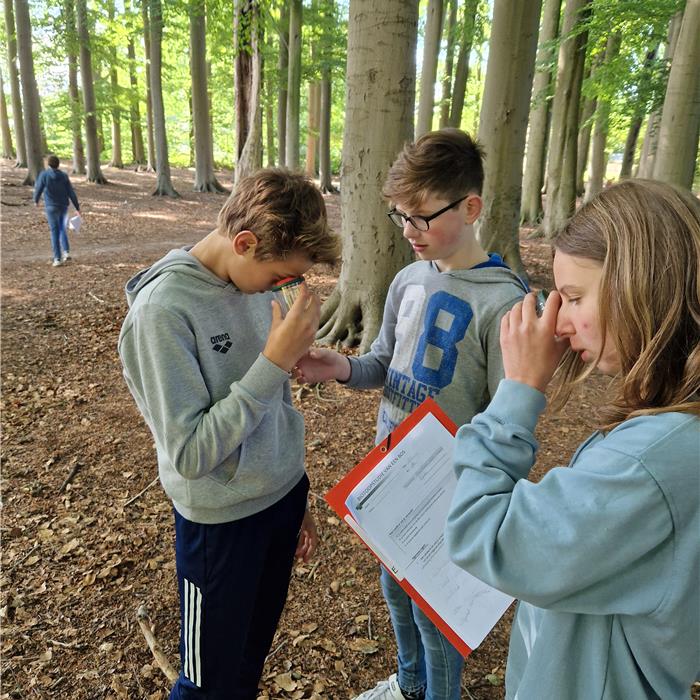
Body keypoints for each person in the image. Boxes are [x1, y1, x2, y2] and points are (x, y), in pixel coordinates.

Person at [295, 128, 529, 700]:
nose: (408, 232)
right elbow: (382, 363)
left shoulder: (504, 301)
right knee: (395, 587)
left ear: (470, 207)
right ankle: (409, 682)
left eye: (422, 217)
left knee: (435, 609)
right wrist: (341, 368)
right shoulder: (405, 280)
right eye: (401, 216)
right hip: (390, 469)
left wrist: (486, 490)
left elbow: (510, 413)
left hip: (451, 486)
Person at [445, 179, 699, 699]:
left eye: (575, 297)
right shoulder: (671, 435)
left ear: (644, 285)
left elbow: (482, 534)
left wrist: (517, 391)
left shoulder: (649, 464)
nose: (556, 323)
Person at [118, 168, 339, 700]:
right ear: (244, 243)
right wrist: (273, 361)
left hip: (278, 504)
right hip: (219, 525)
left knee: (248, 660)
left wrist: (296, 488)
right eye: (279, 277)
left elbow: (276, 405)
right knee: (205, 680)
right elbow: (191, 452)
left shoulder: (251, 279)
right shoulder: (161, 313)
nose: (283, 289)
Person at [33, 154, 80, 267]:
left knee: (54, 231)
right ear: (58, 164)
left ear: (48, 164)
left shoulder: (44, 175)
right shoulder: (64, 176)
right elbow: (71, 192)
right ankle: (66, 252)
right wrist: (77, 207)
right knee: (62, 228)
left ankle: (57, 259)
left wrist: (36, 200)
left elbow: (38, 188)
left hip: (51, 207)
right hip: (63, 206)